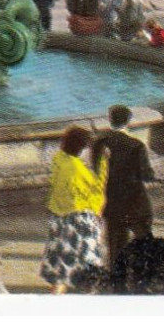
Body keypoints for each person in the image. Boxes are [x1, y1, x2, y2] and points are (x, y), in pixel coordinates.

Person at [37, 125, 107, 294]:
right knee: (89, 271)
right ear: (82, 148)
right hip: (80, 223)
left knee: (60, 272)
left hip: (59, 221)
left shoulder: (59, 160)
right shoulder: (77, 169)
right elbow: (96, 191)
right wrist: (103, 164)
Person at [91, 105, 154, 269]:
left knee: (115, 242)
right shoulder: (136, 145)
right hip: (135, 201)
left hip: (111, 200)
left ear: (110, 120)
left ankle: (117, 276)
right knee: (144, 237)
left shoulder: (99, 144)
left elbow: (96, 170)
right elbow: (146, 174)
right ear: (129, 121)